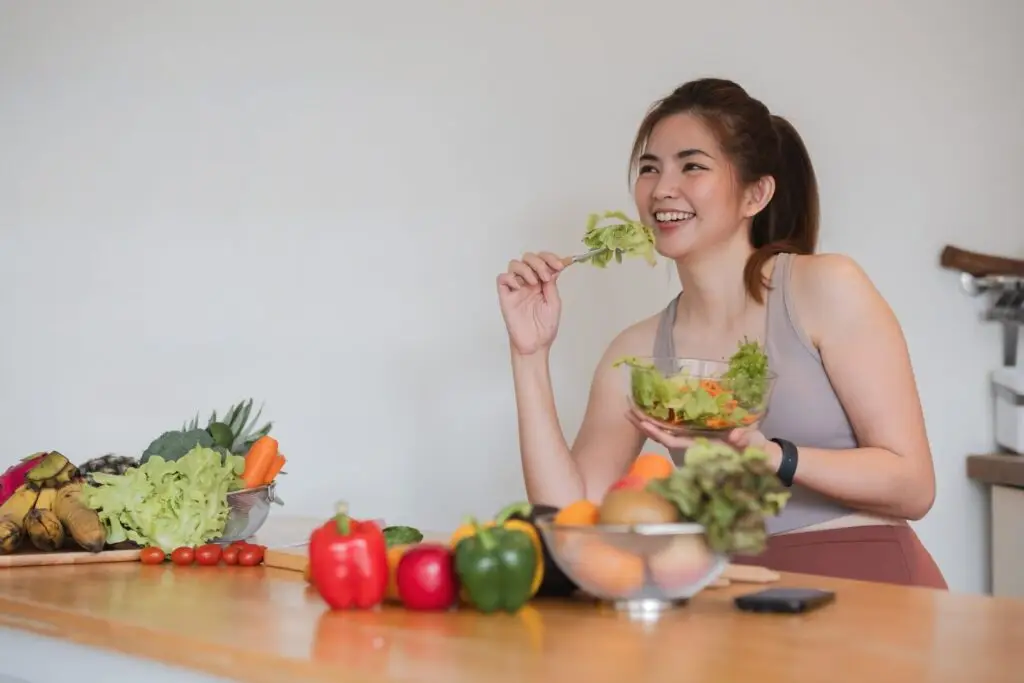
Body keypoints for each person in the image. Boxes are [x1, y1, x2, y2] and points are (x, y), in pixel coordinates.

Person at [496, 77, 946, 590]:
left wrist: (770, 455)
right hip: (736, 593)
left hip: (872, 582)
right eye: (649, 168)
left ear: (755, 193)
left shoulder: (825, 287)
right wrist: (529, 354)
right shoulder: (638, 352)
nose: (662, 188)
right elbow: (572, 520)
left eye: (692, 165)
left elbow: (914, 486)